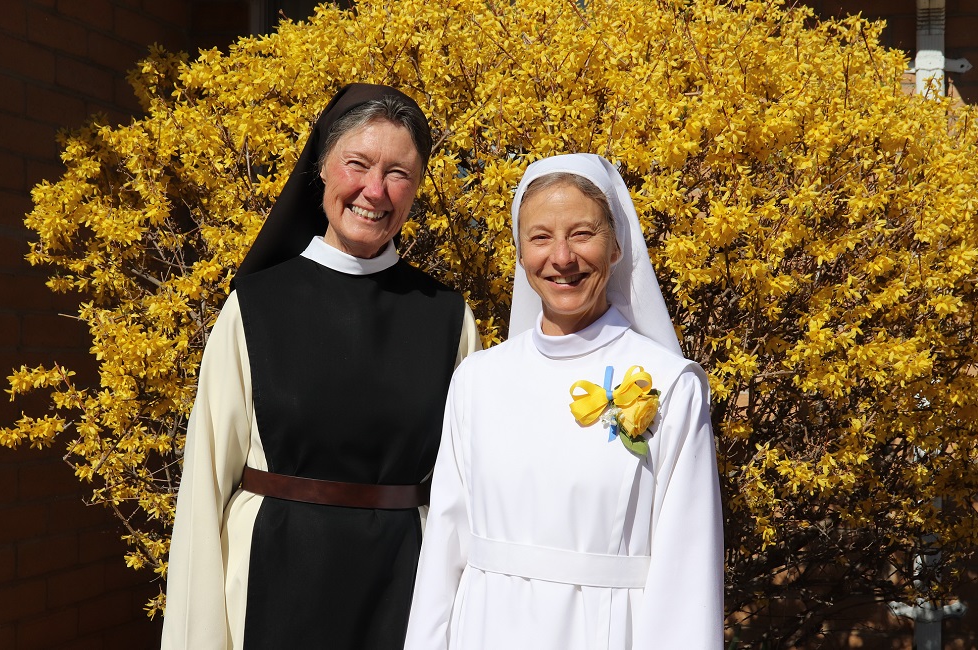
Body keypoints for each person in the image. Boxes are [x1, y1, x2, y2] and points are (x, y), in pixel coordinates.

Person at [161, 83, 481, 650]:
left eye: (399, 174)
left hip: (401, 591)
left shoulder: (448, 320)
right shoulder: (255, 307)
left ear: (417, 190)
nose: (375, 191)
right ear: (322, 170)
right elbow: (206, 484)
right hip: (271, 585)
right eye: (357, 164)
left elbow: (468, 495)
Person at [404, 153, 724, 649]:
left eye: (582, 233)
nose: (562, 257)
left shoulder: (670, 385)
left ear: (617, 246)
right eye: (540, 237)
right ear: (520, 252)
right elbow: (444, 552)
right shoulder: (477, 381)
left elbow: (687, 572)